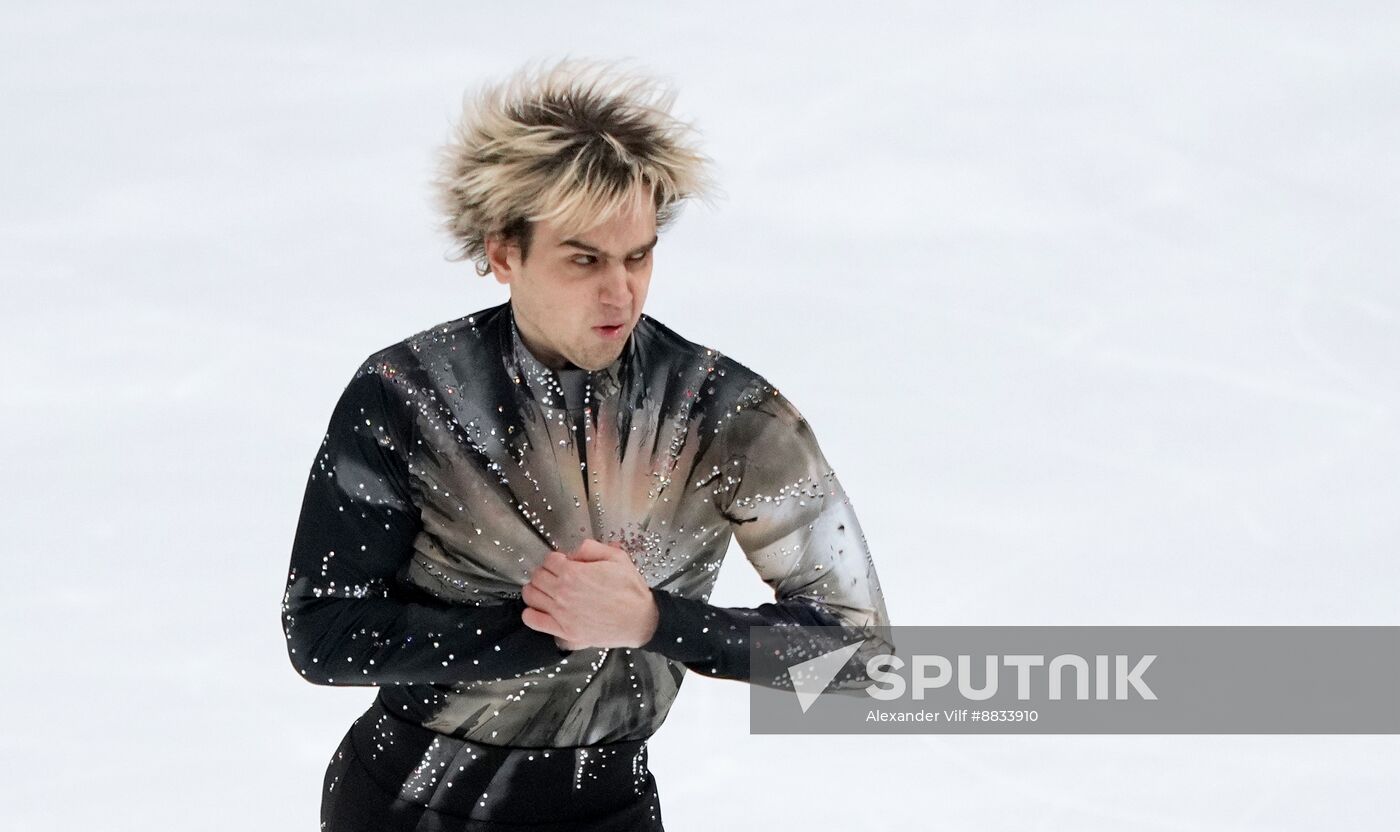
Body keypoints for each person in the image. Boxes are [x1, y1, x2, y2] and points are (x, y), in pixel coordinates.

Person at [281, 58, 893, 831]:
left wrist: (651, 623)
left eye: (638, 256)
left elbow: (860, 656)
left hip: (605, 810)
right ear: (504, 253)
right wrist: (530, 634)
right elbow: (324, 632)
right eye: (585, 260)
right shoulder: (410, 394)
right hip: (402, 806)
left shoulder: (721, 413)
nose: (621, 293)